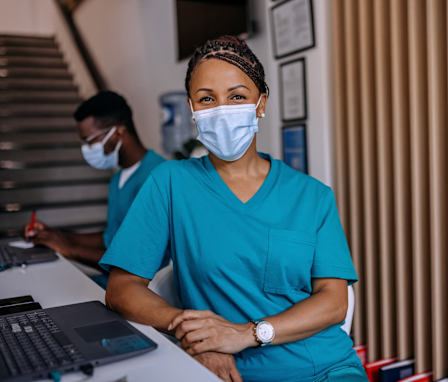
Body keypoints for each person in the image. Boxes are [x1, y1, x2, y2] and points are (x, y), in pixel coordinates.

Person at [100, 37, 368, 382]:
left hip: (326, 366)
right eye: (207, 98)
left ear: (260, 104)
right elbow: (121, 289)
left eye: (237, 96)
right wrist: (198, 337)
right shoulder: (169, 183)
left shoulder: (312, 196)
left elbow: (334, 303)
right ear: (192, 109)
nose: (221, 109)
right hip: (229, 372)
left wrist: (248, 333)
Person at [24, 91, 165, 269]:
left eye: (90, 141)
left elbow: (135, 259)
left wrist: (71, 249)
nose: (88, 149)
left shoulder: (159, 177)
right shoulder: (118, 179)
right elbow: (111, 238)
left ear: (117, 132)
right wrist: (54, 236)